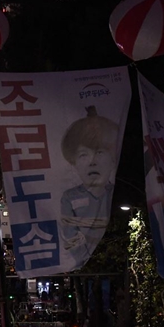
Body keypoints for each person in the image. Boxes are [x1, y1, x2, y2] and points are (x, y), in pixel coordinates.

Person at [60, 105, 119, 269]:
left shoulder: (116, 194)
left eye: (99, 153)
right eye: (83, 155)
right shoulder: (69, 198)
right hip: (87, 266)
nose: (92, 161)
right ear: (74, 162)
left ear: (113, 160)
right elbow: (69, 235)